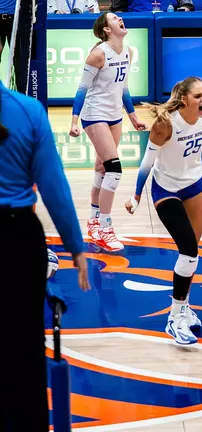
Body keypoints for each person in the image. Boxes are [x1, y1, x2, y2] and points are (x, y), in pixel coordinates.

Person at [0, 81, 90, 431]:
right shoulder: (28, 111)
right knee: (24, 351)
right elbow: (54, 187)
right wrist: (76, 246)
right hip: (17, 241)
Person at [125, 76, 202, 345]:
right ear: (185, 99)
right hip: (166, 190)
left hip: (195, 184)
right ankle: (174, 319)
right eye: (199, 96)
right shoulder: (165, 124)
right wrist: (136, 196)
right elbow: (146, 163)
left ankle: (184, 306)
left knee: (192, 254)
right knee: (188, 250)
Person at [69, 12, 147, 253]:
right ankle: (105, 227)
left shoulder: (128, 52)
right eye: (114, 18)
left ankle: (93, 221)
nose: (120, 19)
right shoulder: (98, 54)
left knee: (102, 168)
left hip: (115, 116)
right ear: (106, 29)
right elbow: (82, 90)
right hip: (94, 115)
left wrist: (133, 116)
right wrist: (74, 120)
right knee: (114, 169)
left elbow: (123, 88)